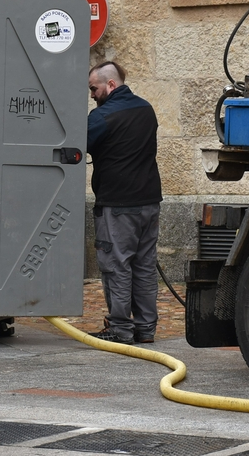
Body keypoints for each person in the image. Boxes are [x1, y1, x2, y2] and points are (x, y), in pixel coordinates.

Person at [86, 61, 162, 345]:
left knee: (117, 266)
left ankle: (119, 328)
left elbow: (73, 145)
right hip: (149, 202)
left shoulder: (102, 117)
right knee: (143, 267)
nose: (92, 95)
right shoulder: (146, 109)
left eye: (94, 88)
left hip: (117, 205)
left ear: (111, 85)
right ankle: (145, 329)